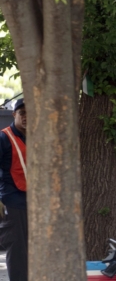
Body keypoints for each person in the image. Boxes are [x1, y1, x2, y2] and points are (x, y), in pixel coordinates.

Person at [0, 98, 28, 281]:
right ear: (14, 114)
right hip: (13, 201)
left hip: (34, 202)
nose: (26, 117)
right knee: (17, 251)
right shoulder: (4, 137)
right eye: (22, 113)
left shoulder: (36, 136)